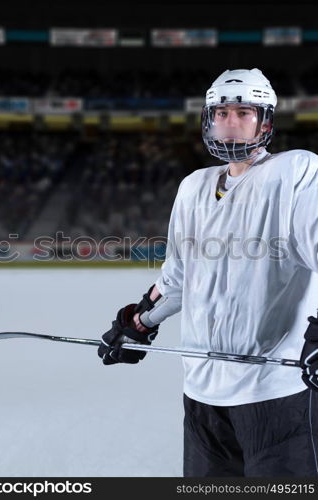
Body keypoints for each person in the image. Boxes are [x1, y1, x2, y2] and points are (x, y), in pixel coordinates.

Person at [98, 68, 318, 477]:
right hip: (202, 397)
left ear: (265, 121)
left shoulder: (297, 173)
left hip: (274, 396)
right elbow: (179, 279)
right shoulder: (193, 187)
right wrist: (139, 323)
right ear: (208, 119)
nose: (231, 122)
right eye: (221, 113)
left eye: (244, 112)